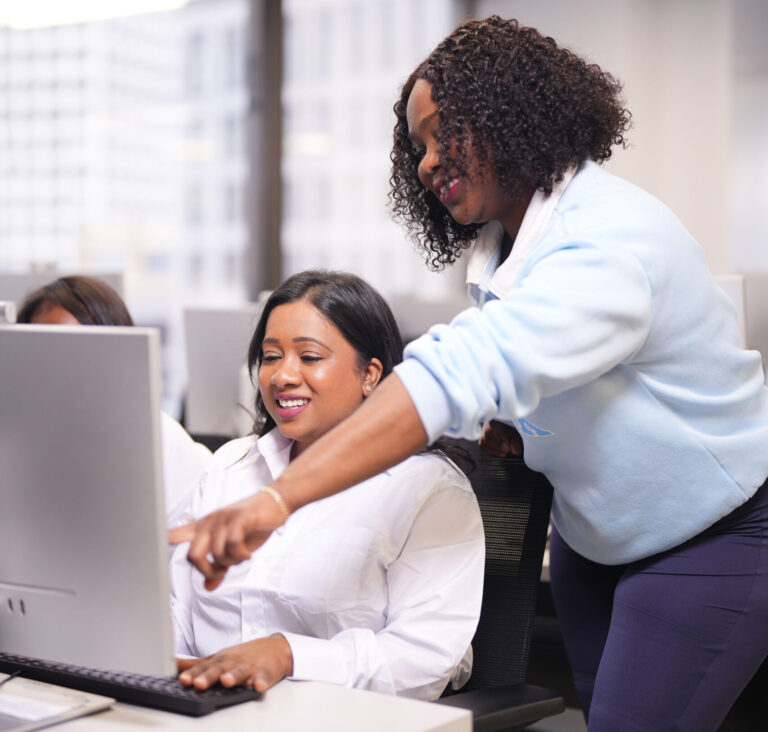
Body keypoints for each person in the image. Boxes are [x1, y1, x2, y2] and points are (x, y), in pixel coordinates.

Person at [170, 16, 768, 731]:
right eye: (418, 147)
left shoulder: (609, 239)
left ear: (512, 117)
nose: (428, 163)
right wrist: (523, 426)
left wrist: (278, 500)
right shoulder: (503, 246)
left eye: (444, 134)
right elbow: (555, 367)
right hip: (594, 537)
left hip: (713, 529)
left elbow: (463, 368)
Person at [168, 269, 484, 700]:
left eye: (310, 357)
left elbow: (425, 658)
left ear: (370, 375)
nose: (282, 376)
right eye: (271, 356)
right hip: (204, 706)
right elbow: (178, 609)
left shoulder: (428, 488)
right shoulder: (230, 466)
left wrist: (289, 655)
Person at [17, 275, 211, 526]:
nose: (63, 369)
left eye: (78, 351)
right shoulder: (18, 442)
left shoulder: (158, 438)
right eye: (47, 353)